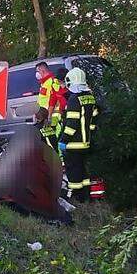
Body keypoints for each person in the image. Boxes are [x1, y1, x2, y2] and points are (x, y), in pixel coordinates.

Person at [58, 67, 99, 202]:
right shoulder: (90, 97)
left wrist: (63, 140)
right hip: (86, 142)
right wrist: (90, 133)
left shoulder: (74, 99)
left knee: (73, 172)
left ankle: (77, 198)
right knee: (83, 171)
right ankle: (87, 196)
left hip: (73, 144)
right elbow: (94, 118)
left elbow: (72, 123)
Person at [35, 62, 64, 150]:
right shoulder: (44, 83)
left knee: (55, 140)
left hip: (53, 117)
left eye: (37, 71)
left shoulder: (52, 82)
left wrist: (49, 116)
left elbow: (55, 99)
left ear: (42, 70)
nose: (37, 74)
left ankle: (59, 160)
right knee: (49, 141)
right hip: (45, 116)